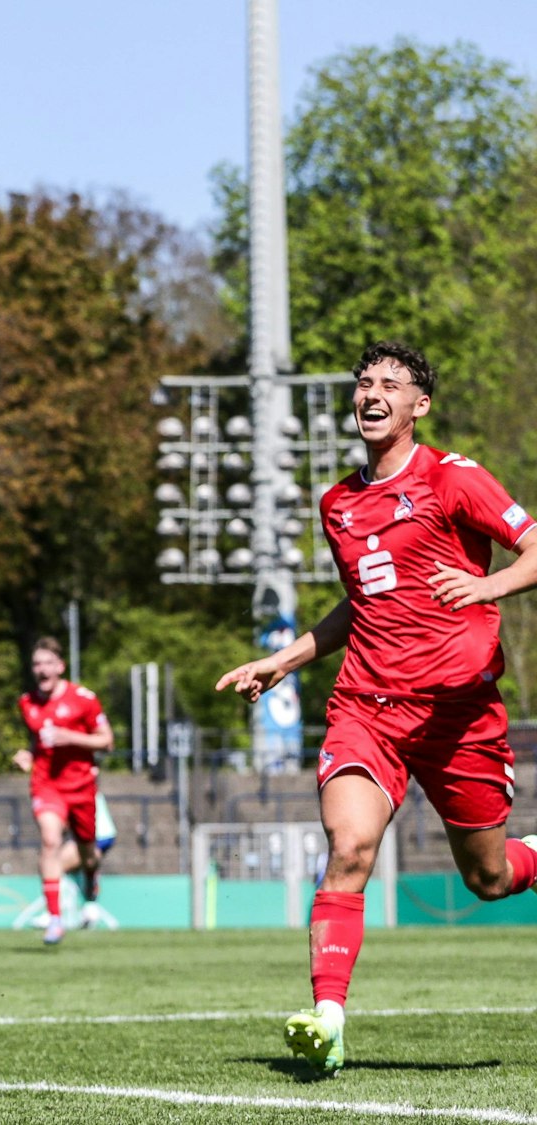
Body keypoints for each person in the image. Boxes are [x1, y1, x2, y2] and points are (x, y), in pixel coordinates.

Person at [217, 340, 537, 1075]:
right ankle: (328, 1017)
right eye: (365, 381)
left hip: (458, 713)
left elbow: (533, 547)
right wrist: (283, 659)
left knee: (487, 879)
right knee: (349, 847)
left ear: (418, 406)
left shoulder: (455, 478)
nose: (373, 391)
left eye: (391, 383)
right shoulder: (339, 503)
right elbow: (358, 608)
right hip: (368, 705)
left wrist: (488, 587)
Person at [14, 636, 113, 945]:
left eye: (47, 663)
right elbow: (38, 742)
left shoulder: (83, 699)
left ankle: (91, 880)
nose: (41, 669)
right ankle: (55, 919)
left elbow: (106, 742)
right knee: (50, 840)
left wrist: (70, 737)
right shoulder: (27, 703)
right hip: (46, 785)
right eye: (36, 664)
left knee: (88, 854)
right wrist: (28, 756)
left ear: (60, 666)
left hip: (81, 786)